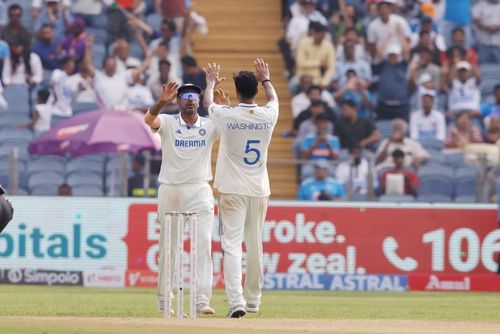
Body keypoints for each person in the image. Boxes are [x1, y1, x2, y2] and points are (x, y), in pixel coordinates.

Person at [204, 59, 279, 317]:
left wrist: (211, 81)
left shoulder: (227, 115)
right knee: (255, 244)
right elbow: (273, 97)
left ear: (236, 92)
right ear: (255, 90)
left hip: (232, 190)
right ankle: (254, 300)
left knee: (232, 245)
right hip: (259, 189)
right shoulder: (269, 114)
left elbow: (207, 104)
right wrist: (266, 77)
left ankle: (236, 302)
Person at [144, 82, 218, 315]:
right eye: (185, 95)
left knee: (204, 245)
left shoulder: (209, 125)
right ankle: (165, 300)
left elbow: (228, 125)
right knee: (170, 248)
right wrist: (161, 100)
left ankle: (201, 300)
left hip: (200, 189)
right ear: (178, 101)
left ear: (199, 101)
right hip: (172, 189)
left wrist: (214, 87)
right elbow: (148, 120)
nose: (190, 99)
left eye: (194, 96)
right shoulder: (167, 122)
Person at [83, 35, 153, 110]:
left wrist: (152, 55)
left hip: (123, 112)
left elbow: (140, 69)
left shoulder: (122, 76)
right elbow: (87, 65)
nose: (111, 68)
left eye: (113, 65)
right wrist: (88, 47)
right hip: (105, 113)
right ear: (104, 67)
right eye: (109, 65)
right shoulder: (98, 76)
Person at [294, 21, 335, 90]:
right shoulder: (304, 43)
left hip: (319, 80)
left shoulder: (329, 46)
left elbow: (331, 68)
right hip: (303, 78)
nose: (321, 36)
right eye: (319, 34)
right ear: (314, 33)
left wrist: (324, 82)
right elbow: (300, 63)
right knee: (292, 85)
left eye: (323, 35)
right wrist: (319, 63)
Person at [1, 4, 33, 81]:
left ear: (21, 16)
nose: (15, 18)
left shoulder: (26, 32)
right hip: (5, 62)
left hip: (23, 60)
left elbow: (29, 46)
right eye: (12, 15)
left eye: (17, 15)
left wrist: (22, 48)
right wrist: (11, 49)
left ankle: (28, 74)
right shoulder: (3, 32)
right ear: (9, 16)